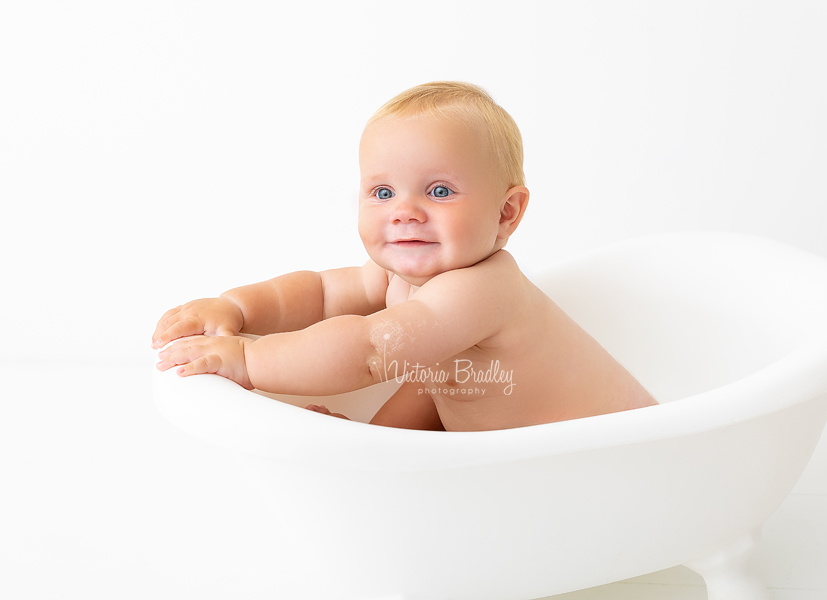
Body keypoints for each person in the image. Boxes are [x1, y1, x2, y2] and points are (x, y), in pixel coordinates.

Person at [153, 81, 657, 432]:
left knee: (424, 369)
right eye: (383, 192)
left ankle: (378, 455)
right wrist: (239, 309)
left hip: (613, 453)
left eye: (439, 191)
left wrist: (248, 359)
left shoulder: (483, 288)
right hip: (506, 446)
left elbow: (371, 351)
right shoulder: (400, 277)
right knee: (436, 378)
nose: (405, 212)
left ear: (506, 213)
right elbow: (323, 292)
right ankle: (374, 450)